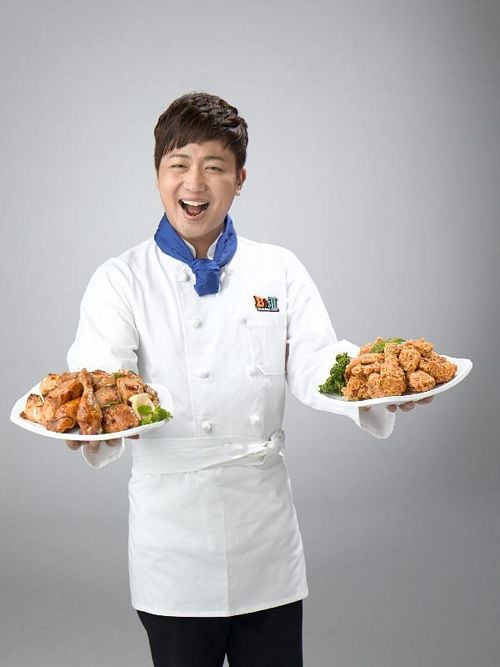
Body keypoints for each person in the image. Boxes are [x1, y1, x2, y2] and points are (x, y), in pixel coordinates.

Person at [65, 92, 431, 666]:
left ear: (239, 179)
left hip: (264, 533)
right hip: (173, 537)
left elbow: (317, 361)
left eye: (214, 167)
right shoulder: (121, 280)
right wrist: (90, 425)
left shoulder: (277, 269)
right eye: (179, 164)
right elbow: (103, 379)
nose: (194, 183)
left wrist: (379, 389)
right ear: (158, 175)